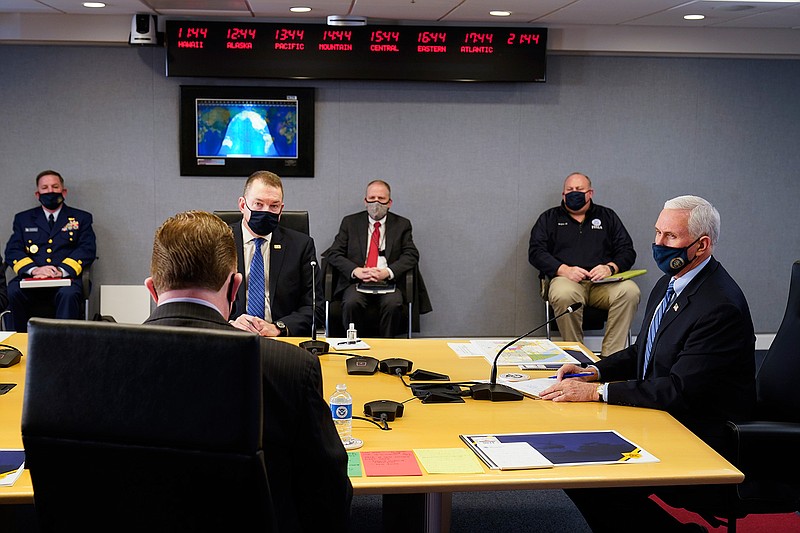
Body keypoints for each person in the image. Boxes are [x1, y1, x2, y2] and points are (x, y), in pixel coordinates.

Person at [541, 195, 756, 532]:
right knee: (577, 463)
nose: (658, 244)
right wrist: (594, 370)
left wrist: (596, 393)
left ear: (701, 245)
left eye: (670, 237)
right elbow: (643, 352)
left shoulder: (719, 305)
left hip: (700, 433)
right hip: (663, 416)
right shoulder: (671, 283)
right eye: (657, 233)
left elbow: (679, 390)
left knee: (587, 470)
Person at [143, 210, 352, 532]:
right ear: (234, 287)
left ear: (152, 289)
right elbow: (327, 491)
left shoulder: (90, 362)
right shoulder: (291, 369)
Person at [528, 172, 640, 356]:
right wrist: (563, 270)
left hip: (603, 284)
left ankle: (611, 358)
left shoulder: (607, 216)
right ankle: (577, 355)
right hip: (566, 280)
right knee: (564, 293)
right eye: (569, 190)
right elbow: (535, 252)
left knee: (630, 291)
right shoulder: (549, 218)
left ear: (590, 193)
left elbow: (627, 251)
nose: (574, 193)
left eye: (579, 189)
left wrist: (610, 268)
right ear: (563, 195)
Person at [324, 179, 430, 337]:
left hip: (388, 282)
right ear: (365, 201)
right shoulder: (350, 222)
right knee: (352, 303)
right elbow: (333, 253)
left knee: (393, 304)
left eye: (381, 199)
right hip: (358, 281)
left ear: (389, 202)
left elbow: (411, 254)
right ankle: (353, 345)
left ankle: (387, 348)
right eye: (372, 199)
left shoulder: (402, 224)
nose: (376, 203)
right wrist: (355, 271)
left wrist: (388, 272)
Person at [227, 170, 322, 337]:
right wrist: (229, 324)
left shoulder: (301, 246)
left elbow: (315, 307)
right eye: (258, 204)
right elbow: (202, 302)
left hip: (280, 338)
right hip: (231, 336)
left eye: (274, 206)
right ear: (242, 205)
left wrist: (278, 327)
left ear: (281, 209)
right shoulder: (219, 242)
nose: (266, 211)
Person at [4, 170, 96, 332]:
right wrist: (34, 270)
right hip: (32, 280)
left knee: (69, 294)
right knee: (12, 291)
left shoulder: (81, 218)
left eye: (55, 186)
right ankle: (19, 345)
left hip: (66, 280)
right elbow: (13, 250)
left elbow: (87, 249)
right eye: (45, 188)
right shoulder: (23, 219)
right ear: (37, 194)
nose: (50, 191)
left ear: (64, 191)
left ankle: (63, 346)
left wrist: (61, 271)